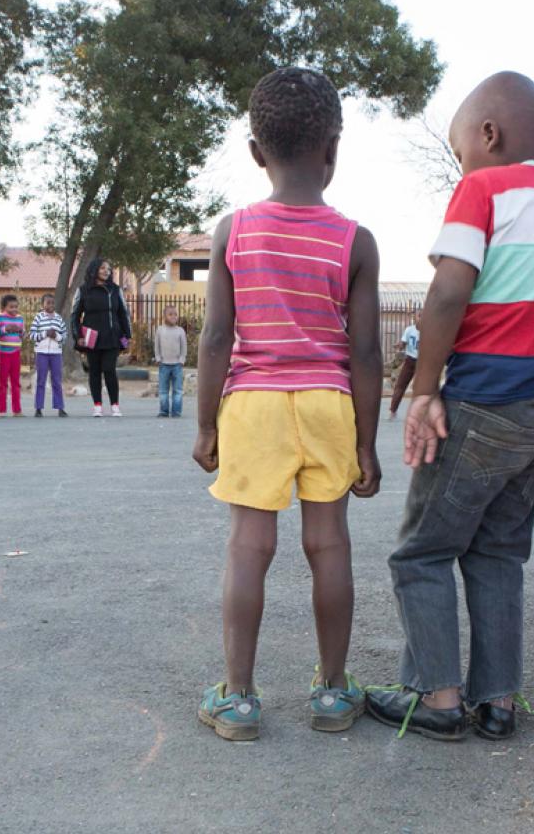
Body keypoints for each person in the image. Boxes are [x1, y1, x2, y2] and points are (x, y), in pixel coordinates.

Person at [366, 72, 534, 742]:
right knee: (498, 553)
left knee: (422, 552)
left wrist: (426, 388)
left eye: (459, 151)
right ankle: (498, 701)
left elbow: (450, 290)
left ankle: (439, 698)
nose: (462, 165)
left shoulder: (484, 187)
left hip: (483, 401)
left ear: (489, 135)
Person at [193, 67, 382, 741]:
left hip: (255, 406)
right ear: (332, 148)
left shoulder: (232, 231)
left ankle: (238, 698)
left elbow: (217, 336)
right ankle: (333, 692)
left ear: (255, 151)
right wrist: (365, 444)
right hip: (329, 404)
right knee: (328, 545)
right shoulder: (355, 240)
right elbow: (365, 354)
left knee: (250, 545)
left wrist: (205, 423)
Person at [71, 259, 131, 418]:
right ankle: (97, 405)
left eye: (109, 269)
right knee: (94, 371)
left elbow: (123, 314)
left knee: (109, 369)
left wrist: (127, 336)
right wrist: (78, 336)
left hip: (112, 337)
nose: (106, 271)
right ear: (94, 270)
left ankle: (115, 405)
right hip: (91, 338)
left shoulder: (115, 290)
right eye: (103, 268)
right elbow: (74, 316)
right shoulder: (83, 290)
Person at [29, 293, 68, 418]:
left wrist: (56, 336)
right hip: (41, 353)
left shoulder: (58, 318)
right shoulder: (38, 318)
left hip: (56, 354)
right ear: (42, 304)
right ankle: (38, 408)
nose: (50, 305)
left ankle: (60, 407)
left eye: (52, 303)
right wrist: (46, 333)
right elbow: (32, 335)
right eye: (48, 303)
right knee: (41, 381)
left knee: (57, 381)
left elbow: (64, 337)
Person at [0, 294, 25, 416]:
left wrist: (20, 331)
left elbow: (23, 334)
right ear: (4, 307)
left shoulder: (20, 318)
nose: (14, 310)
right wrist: (5, 329)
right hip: (3, 353)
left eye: (16, 307)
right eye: (11, 307)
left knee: (16, 382)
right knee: (2, 382)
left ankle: (17, 410)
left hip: (16, 353)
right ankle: (1, 410)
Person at [155, 306, 187, 417]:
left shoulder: (180, 331)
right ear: (164, 316)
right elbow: (157, 346)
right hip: (163, 364)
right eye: (170, 314)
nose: (173, 316)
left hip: (177, 365)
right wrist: (158, 358)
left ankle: (176, 411)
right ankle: (163, 411)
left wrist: (182, 359)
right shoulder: (160, 330)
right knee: (163, 390)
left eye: (175, 314)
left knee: (177, 390)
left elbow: (184, 347)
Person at [389, 311, 422, 418]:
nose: (422, 319)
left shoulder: (429, 331)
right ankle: (393, 410)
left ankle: (419, 413)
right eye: (419, 316)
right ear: (415, 318)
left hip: (422, 363)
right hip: (410, 361)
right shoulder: (409, 330)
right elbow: (403, 343)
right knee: (400, 385)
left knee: (420, 388)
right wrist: (399, 345)